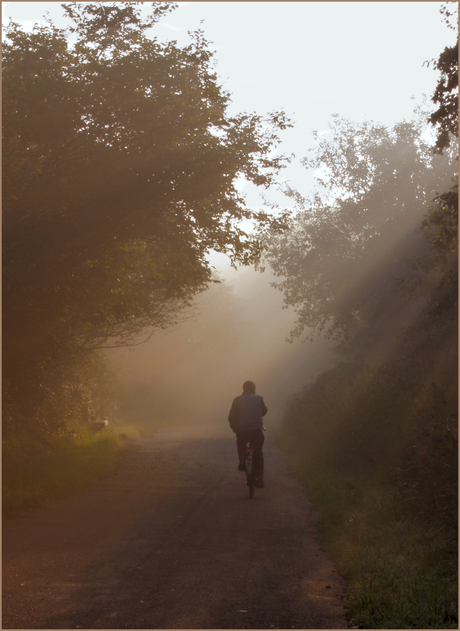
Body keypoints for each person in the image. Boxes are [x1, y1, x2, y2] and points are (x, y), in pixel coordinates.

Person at [228, 380, 267, 488]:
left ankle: (241, 459)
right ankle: (259, 478)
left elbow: (231, 416)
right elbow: (264, 411)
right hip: (256, 431)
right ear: (254, 389)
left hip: (242, 430)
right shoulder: (259, 398)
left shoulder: (237, 400)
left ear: (243, 389)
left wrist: (234, 427)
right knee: (258, 451)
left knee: (241, 442)